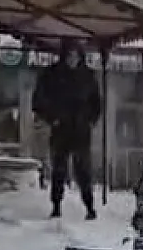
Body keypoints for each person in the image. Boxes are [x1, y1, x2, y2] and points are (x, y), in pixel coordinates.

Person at [32, 40, 101, 220]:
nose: (73, 59)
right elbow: (38, 100)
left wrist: (90, 120)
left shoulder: (87, 76)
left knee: (83, 170)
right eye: (69, 55)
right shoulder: (52, 74)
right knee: (59, 170)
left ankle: (90, 207)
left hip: (81, 130)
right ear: (64, 56)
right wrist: (52, 118)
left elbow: (97, 102)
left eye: (76, 56)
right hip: (61, 128)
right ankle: (56, 205)